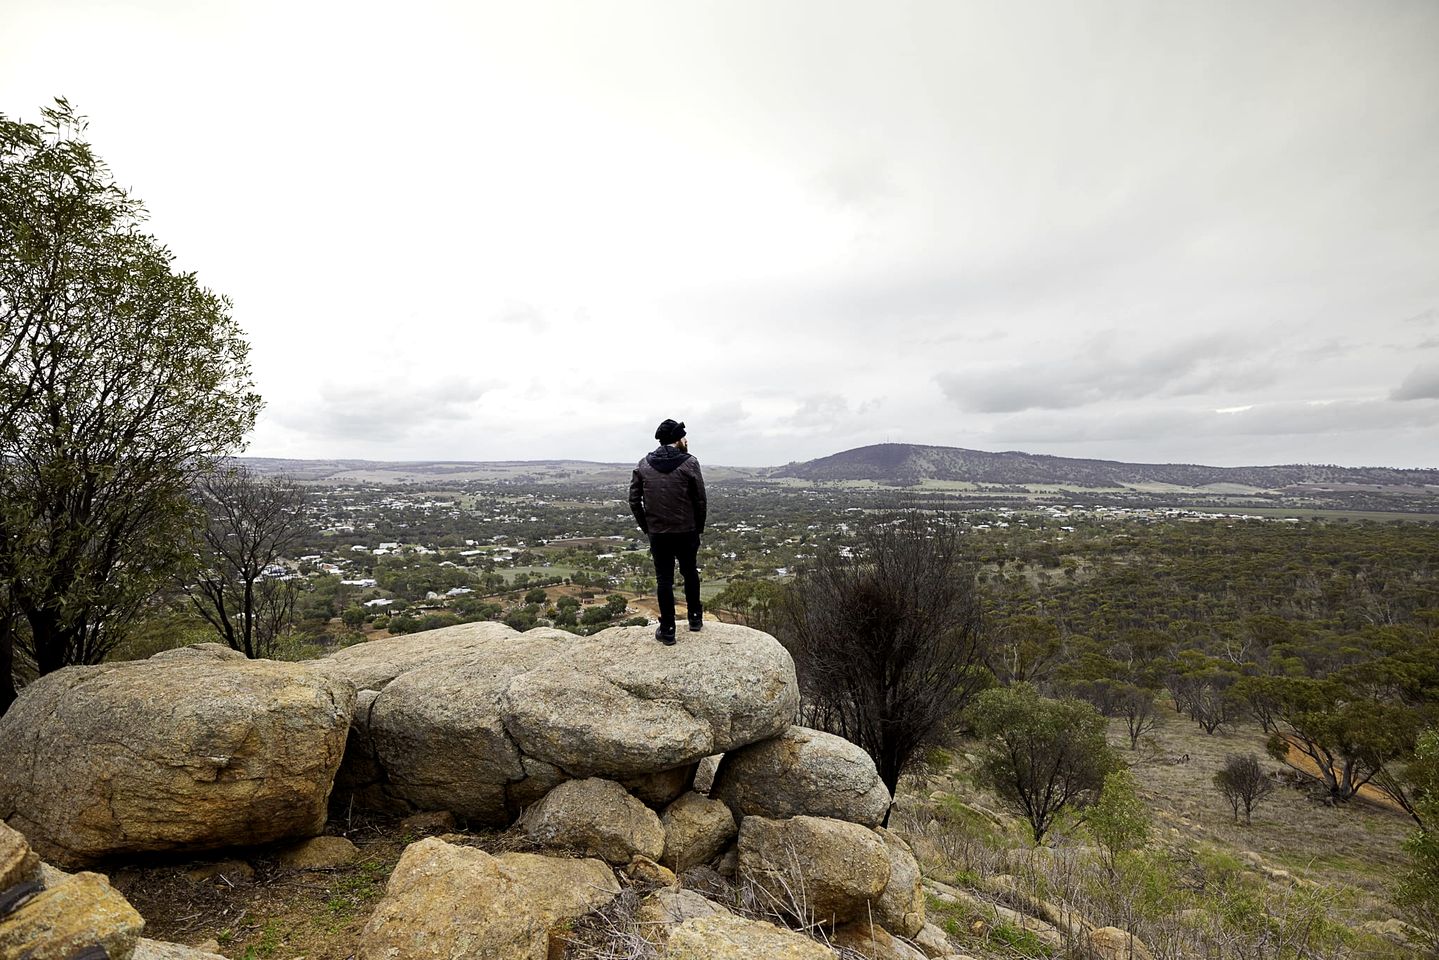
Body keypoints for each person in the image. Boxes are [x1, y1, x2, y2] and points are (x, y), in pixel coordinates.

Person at [629, 418, 707, 644]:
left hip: (659, 533)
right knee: (690, 572)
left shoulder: (644, 464)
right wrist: (697, 528)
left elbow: (634, 501)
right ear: (677, 440)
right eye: (684, 437)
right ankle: (694, 619)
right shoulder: (690, 463)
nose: (686, 440)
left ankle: (668, 630)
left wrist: (648, 528)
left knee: (664, 579)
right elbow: (700, 500)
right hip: (686, 530)